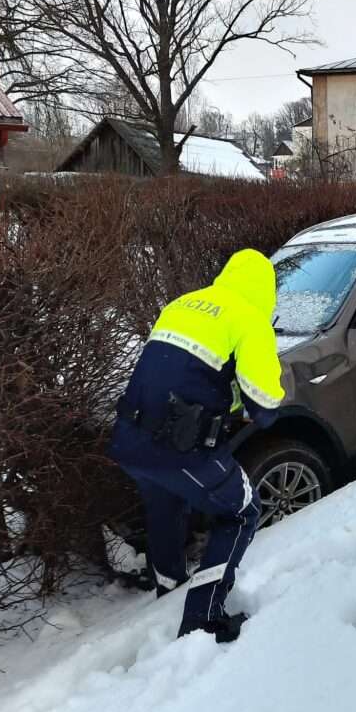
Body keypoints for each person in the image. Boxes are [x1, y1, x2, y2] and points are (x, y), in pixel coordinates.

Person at [109, 249, 285, 642]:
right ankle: (203, 618)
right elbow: (266, 407)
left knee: (167, 506)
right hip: (178, 447)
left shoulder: (182, 304)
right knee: (242, 510)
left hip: (128, 439)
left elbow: (176, 371)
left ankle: (169, 590)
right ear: (266, 291)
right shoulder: (249, 319)